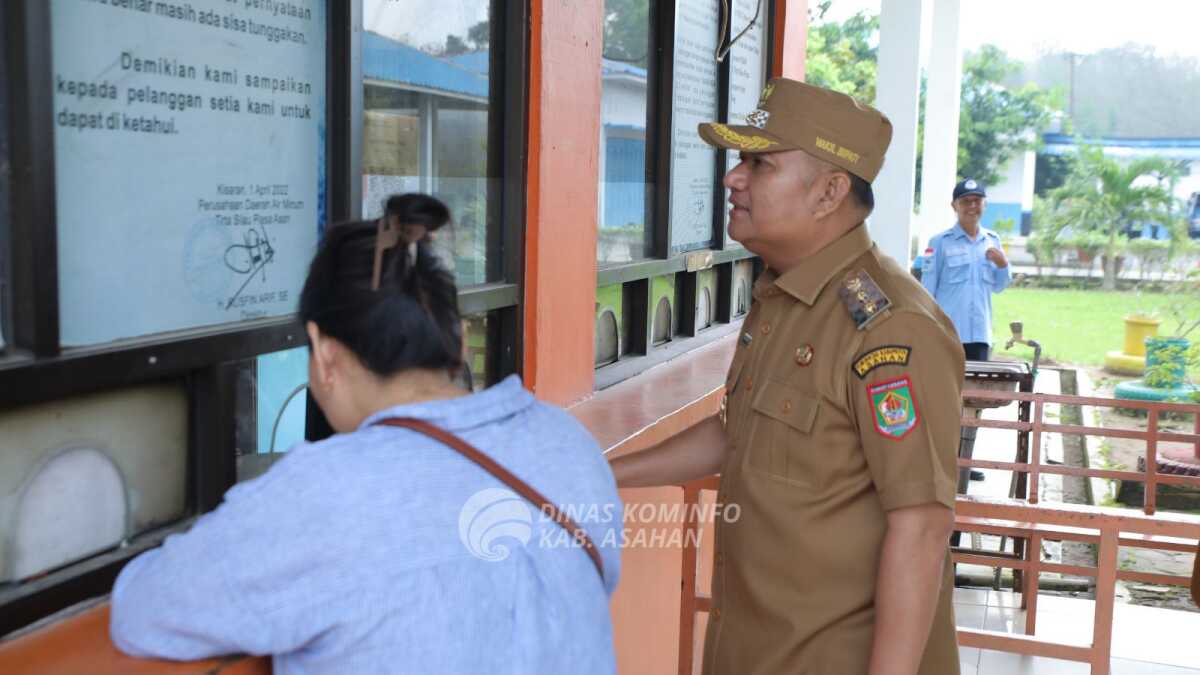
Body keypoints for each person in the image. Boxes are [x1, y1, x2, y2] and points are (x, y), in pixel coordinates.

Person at [110, 194, 623, 674]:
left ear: (323, 353)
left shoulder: (326, 494)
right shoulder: (566, 445)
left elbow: (146, 611)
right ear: (460, 340)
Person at [611, 79, 962, 674]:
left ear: (829, 192)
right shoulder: (784, 296)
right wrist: (599, 473)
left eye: (760, 164)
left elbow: (921, 525)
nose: (733, 178)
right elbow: (737, 433)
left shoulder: (890, 327)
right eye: (740, 161)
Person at [921, 179, 1011, 362]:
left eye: (977, 201)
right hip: (948, 333)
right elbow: (927, 290)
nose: (972, 206)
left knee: (977, 381)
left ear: (985, 204)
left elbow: (999, 286)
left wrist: (1003, 265)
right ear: (954, 206)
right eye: (965, 201)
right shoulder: (939, 242)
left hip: (980, 335)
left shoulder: (992, 240)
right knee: (946, 381)